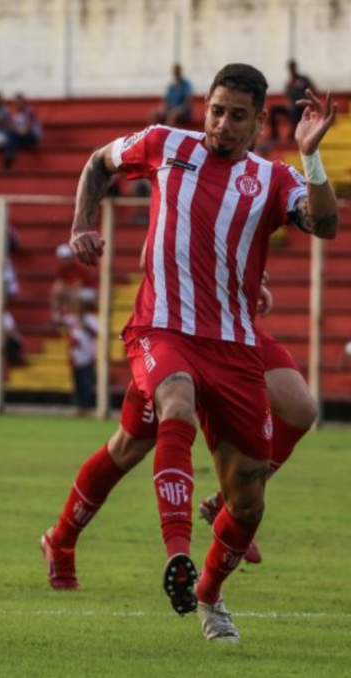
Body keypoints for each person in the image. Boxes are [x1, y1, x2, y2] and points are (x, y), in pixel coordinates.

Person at [68, 63, 338, 642]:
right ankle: (177, 556)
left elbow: (326, 224)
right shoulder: (168, 144)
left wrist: (311, 156)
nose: (222, 124)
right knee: (175, 403)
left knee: (248, 504)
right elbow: (98, 163)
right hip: (162, 328)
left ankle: (210, 594)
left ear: (259, 122)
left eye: (237, 116)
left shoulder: (272, 178)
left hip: (236, 344)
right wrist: (80, 223)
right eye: (216, 110)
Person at [40, 281, 316, 587]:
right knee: (131, 445)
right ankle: (61, 541)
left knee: (300, 408)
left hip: (232, 327)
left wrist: (251, 275)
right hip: (175, 326)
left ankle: (226, 502)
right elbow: (156, 249)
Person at [62, 289, 98, 414]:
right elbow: (59, 322)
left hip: (87, 355)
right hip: (75, 356)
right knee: (77, 382)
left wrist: (83, 323)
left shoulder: (91, 319)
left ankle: (87, 406)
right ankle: (79, 406)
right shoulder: (72, 319)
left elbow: (95, 333)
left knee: (86, 383)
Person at [50, 243, 97, 325]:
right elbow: (59, 285)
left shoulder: (79, 269)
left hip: (88, 292)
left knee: (73, 295)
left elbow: (78, 285)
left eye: (67, 258)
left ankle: (78, 320)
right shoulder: (61, 270)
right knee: (56, 292)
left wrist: (64, 290)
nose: (65, 261)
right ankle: (57, 316)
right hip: (75, 291)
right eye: (63, 259)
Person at [269, 60, 315, 142]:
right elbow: (288, 97)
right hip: (292, 107)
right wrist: (289, 104)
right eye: (289, 67)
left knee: (296, 109)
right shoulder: (289, 83)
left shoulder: (303, 79)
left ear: (295, 67)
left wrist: (307, 100)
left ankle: (293, 134)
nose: (291, 69)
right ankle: (274, 135)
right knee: (273, 110)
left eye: (292, 67)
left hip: (302, 106)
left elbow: (313, 89)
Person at [4, 92, 42, 169]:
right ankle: (9, 155)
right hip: (19, 136)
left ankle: (9, 156)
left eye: (19, 103)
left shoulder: (29, 112)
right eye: (16, 103)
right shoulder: (15, 114)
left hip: (32, 137)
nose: (17, 105)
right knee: (10, 135)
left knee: (11, 135)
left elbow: (27, 130)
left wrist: (16, 130)